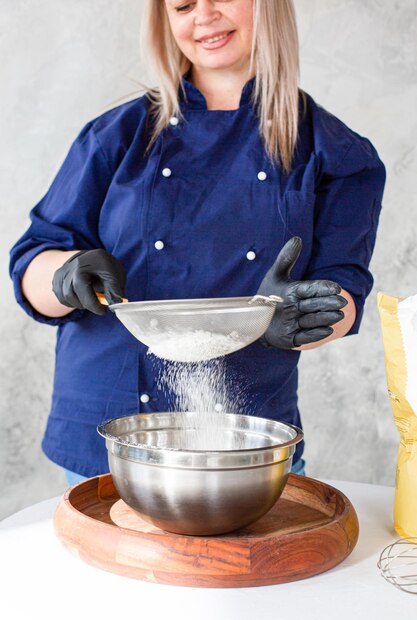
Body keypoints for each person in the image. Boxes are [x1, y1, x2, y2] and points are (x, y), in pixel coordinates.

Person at [9, 0, 386, 486]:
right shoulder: (116, 136)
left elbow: (344, 292)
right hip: (106, 434)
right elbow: (32, 264)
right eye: (183, 5)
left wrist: (304, 317)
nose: (202, 16)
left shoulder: (336, 152)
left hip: (245, 439)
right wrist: (66, 273)